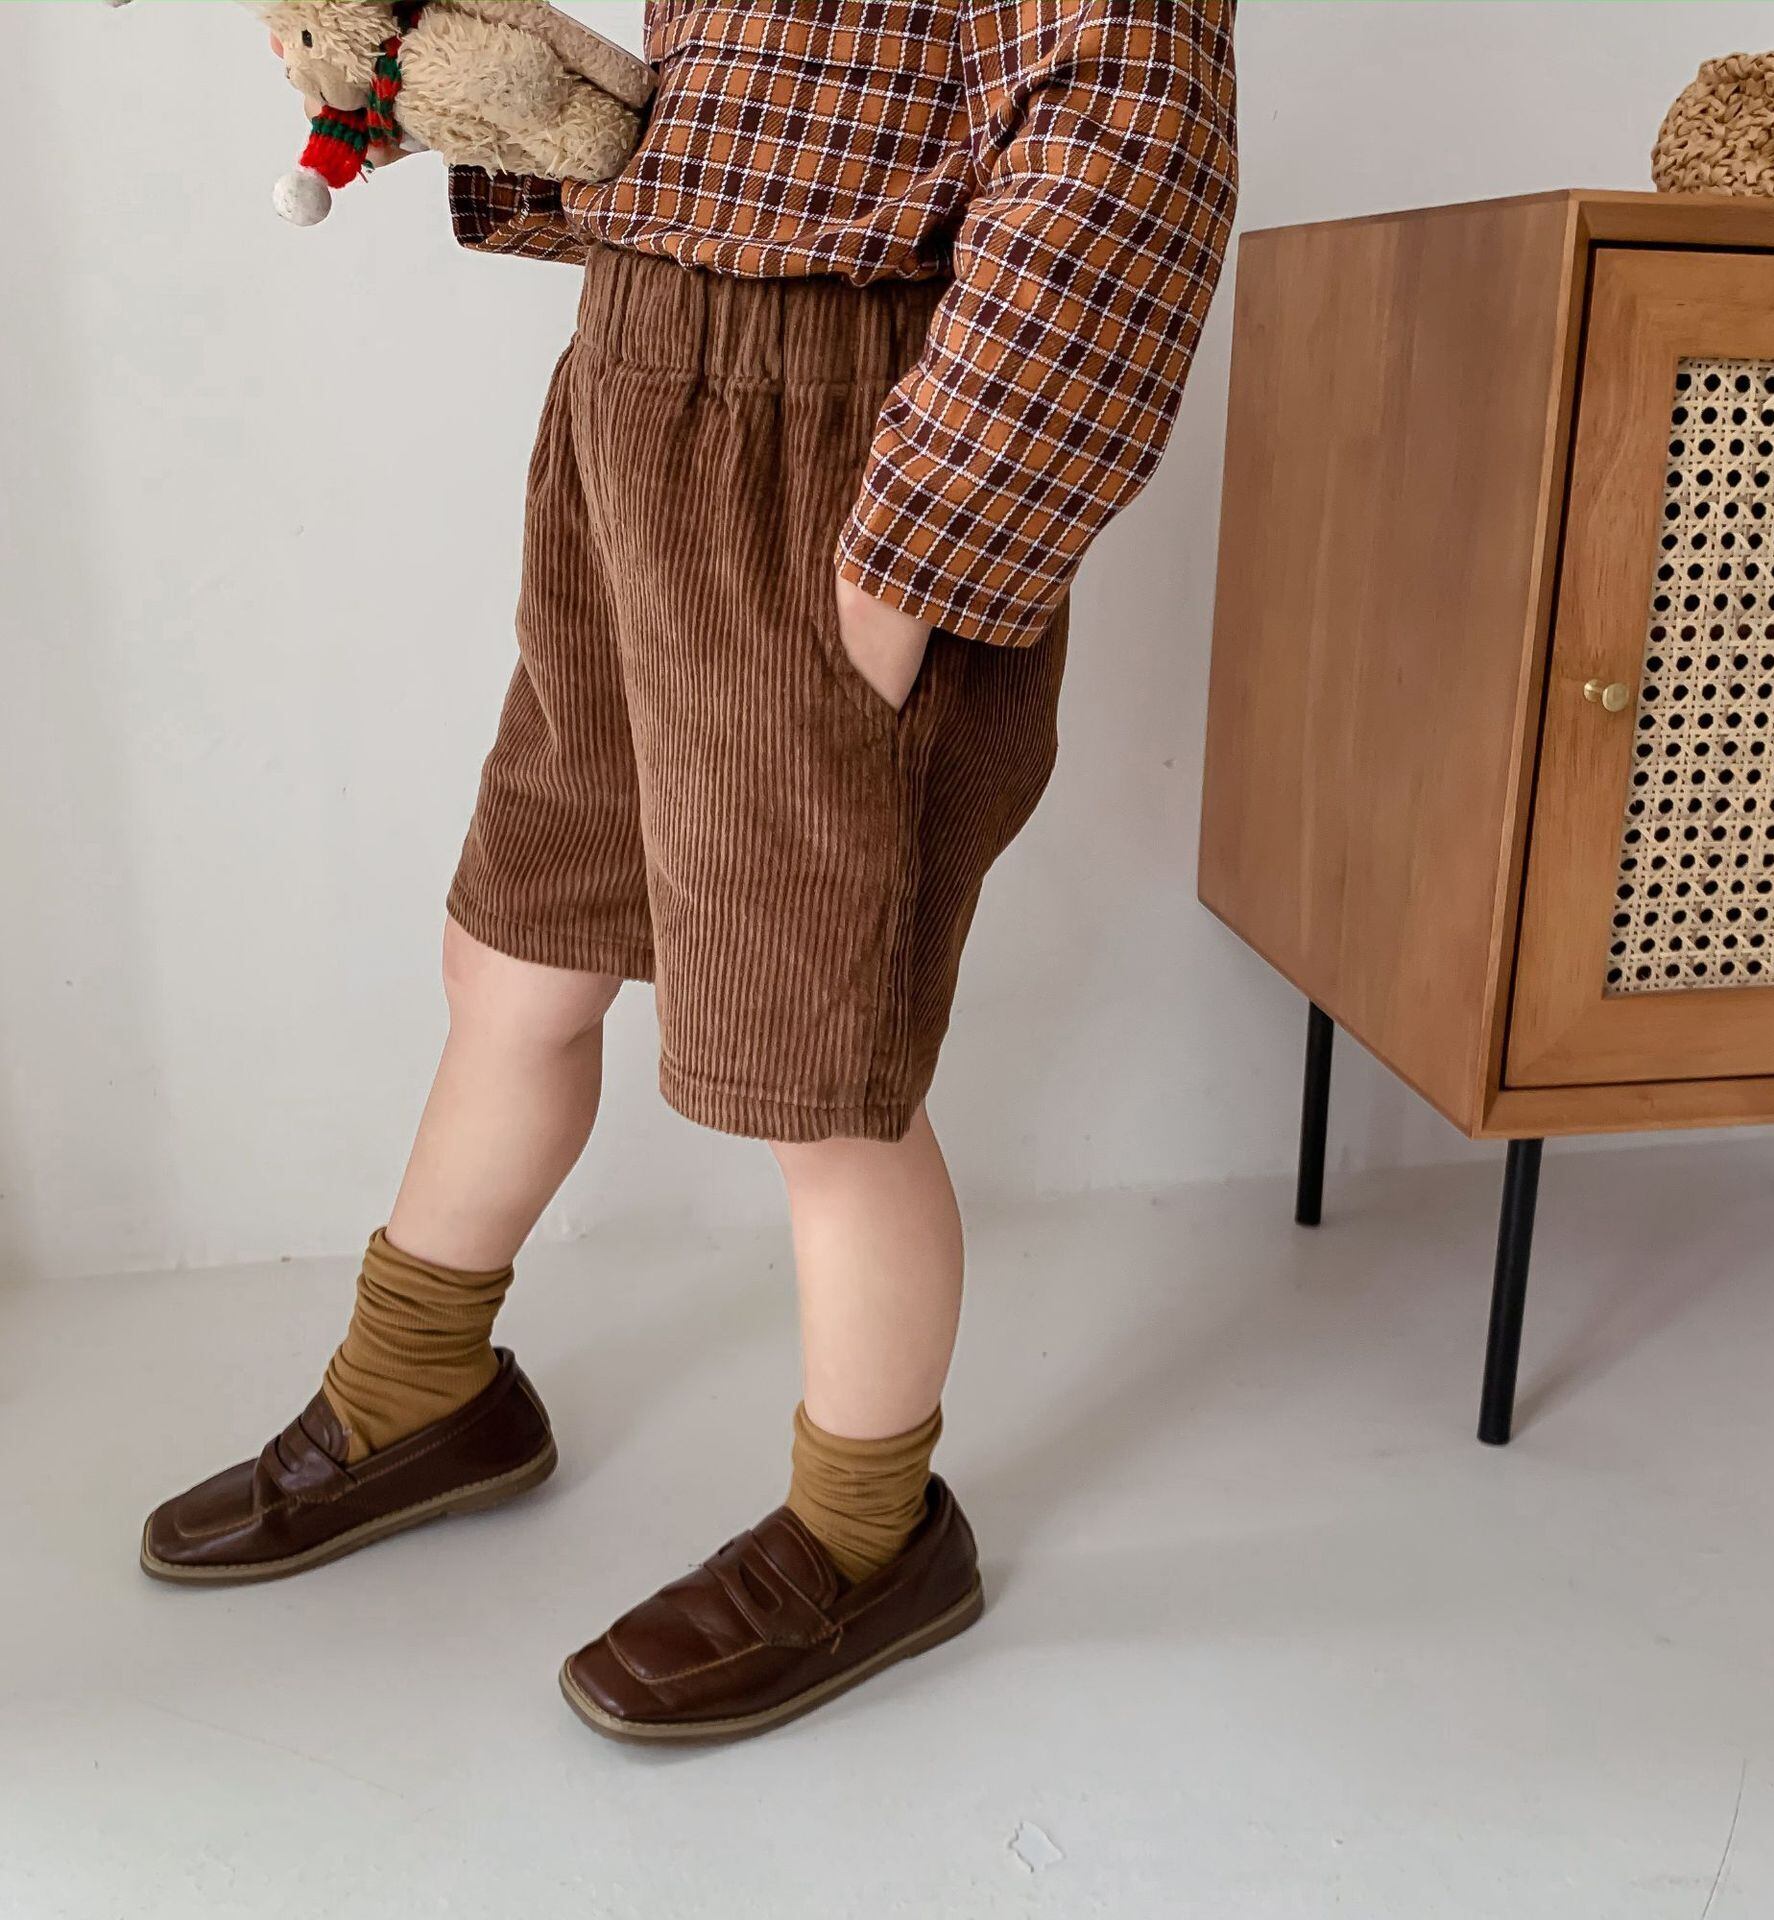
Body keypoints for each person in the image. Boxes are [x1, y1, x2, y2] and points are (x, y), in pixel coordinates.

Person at [142, 0, 1239, 1745]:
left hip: (830, 467)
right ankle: (421, 1384)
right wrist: (492, 95)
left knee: (822, 1065)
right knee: (520, 945)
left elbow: (1122, 162)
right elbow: (767, 118)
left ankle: (871, 1533)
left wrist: (905, 569)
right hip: (639, 409)